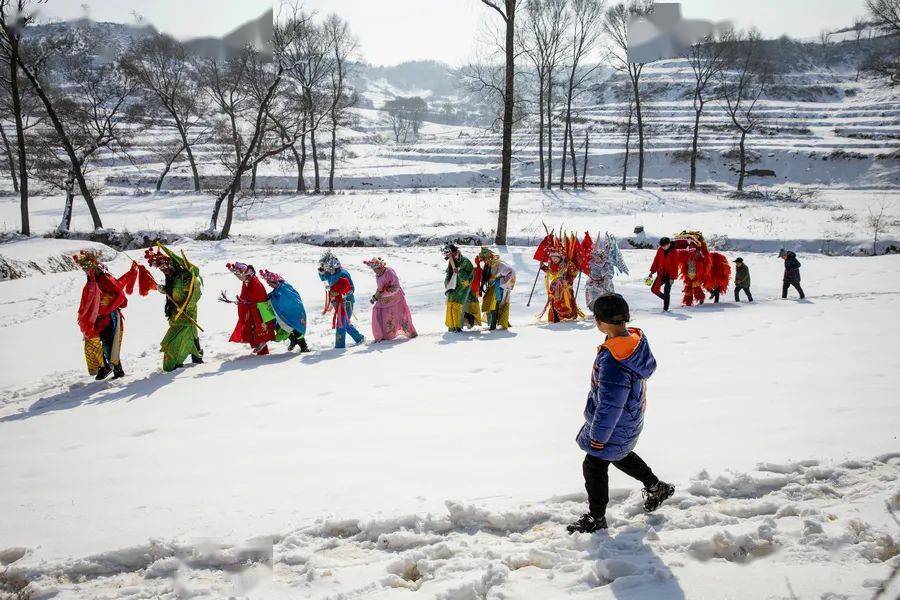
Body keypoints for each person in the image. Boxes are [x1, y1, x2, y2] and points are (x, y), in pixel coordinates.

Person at [568, 293, 675, 534]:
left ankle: (597, 518)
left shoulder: (614, 358)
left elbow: (610, 403)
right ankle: (656, 487)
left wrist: (598, 436)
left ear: (600, 321)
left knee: (594, 464)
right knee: (619, 454)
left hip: (614, 422)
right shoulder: (633, 341)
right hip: (629, 417)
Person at [75, 250, 132, 380]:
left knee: (109, 344)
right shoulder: (91, 280)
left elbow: (120, 297)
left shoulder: (105, 278)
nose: (86, 271)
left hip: (109, 317)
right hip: (97, 317)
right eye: (85, 269)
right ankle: (103, 366)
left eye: (88, 269)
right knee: (92, 341)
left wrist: (105, 309)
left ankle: (116, 370)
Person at [145, 245, 203, 371]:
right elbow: (173, 293)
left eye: (165, 268)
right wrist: (164, 290)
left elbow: (195, 293)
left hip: (187, 312)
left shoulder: (185, 276)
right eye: (162, 270)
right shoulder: (171, 277)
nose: (164, 272)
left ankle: (178, 360)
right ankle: (194, 356)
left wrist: (184, 307)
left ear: (171, 265)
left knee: (184, 335)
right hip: (175, 314)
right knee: (184, 335)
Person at [220, 262, 276, 355]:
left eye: (240, 274)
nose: (239, 277)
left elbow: (260, 298)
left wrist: (249, 303)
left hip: (260, 310)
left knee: (260, 328)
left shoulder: (255, 282)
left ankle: (262, 345)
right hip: (252, 310)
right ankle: (262, 351)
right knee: (253, 328)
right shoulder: (246, 281)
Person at [318, 251, 365, 348]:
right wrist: (321, 272)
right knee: (345, 324)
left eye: (327, 267)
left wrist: (341, 293)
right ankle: (359, 338)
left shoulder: (343, 273)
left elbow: (351, 288)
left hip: (346, 303)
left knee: (341, 323)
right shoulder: (330, 273)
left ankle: (339, 347)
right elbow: (324, 279)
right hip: (337, 303)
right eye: (325, 268)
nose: (327, 270)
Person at [364, 257, 417, 342]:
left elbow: (396, 287)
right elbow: (380, 288)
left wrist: (383, 294)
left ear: (380, 267)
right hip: (384, 300)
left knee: (400, 316)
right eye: (373, 269)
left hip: (396, 299)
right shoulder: (378, 275)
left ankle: (409, 332)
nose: (374, 271)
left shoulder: (389, 272)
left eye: (375, 269)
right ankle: (385, 335)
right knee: (379, 312)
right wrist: (375, 296)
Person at [534, 233, 583, 323]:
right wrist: (543, 267)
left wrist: (568, 281)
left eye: (555, 257)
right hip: (554, 286)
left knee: (564, 301)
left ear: (560, 256)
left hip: (565, 287)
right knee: (554, 301)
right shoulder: (552, 264)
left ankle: (567, 316)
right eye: (552, 258)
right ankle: (555, 317)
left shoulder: (567, 263)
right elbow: (550, 272)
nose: (554, 259)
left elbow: (574, 273)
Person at [259, 269, 310, 352]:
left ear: (274, 281)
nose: (269, 285)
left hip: (294, 311)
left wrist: (271, 298)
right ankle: (293, 340)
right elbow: (275, 294)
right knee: (285, 326)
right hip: (289, 311)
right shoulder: (280, 287)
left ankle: (304, 346)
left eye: (270, 284)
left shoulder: (284, 288)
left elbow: (285, 299)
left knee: (295, 327)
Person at [583, 232, 628, 312]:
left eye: (598, 257)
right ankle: (595, 310)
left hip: (603, 283)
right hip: (592, 283)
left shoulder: (606, 264)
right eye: (594, 256)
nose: (596, 258)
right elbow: (586, 269)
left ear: (602, 257)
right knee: (592, 297)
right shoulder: (591, 263)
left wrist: (606, 279)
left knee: (605, 297)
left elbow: (609, 273)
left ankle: (607, 310)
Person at [442, 243, 481, 332]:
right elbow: (449, 273)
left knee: (457, 305)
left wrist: (459, 273)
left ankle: (458, 326)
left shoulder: (464, 261)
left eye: (450, 254)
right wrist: (447, 283)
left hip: (463, 286)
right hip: (453, 286)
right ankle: (453, 326)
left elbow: (470, 273)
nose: (448, 257)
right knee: (451, 304)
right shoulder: (451, 261)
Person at [475, 247, 516, 330]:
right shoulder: (487, 265)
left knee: (494, 305)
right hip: (492, 287)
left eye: (485, 259)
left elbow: (511, 272)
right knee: (491, 304)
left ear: (489, 257)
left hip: (499, 287)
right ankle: (494, 323)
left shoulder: (500, 264)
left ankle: (493, 325)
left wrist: (502, 282)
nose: (485, 261)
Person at [648, 237, 678, 312]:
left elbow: (675, 266)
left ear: (669, 244)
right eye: (661, 246)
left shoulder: (674, 252)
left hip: (670, 275)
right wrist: (652, 272)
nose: (662, 247)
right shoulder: (660, 250)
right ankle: (666, 299)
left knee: (666, 291)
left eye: (664, 246)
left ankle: (665, 309)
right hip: (661, 273)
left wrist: (672, 278)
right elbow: (656, 261)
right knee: (654, 289)